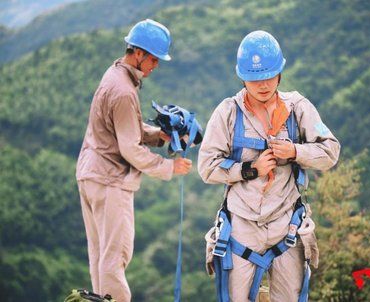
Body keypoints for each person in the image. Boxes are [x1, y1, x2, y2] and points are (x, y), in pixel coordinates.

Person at [198, 30, 340, 301]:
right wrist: (250, 169)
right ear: (242, 78)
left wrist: (296, 150)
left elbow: (330, 151)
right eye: (254, 79)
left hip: (286, 222)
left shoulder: (298, 108)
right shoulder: (228, 113)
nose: (263, 85)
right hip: (241, 224)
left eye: (268, 77)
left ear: (279, 74)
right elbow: (206, 167)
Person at [76, 19, 192, 302]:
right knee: (115, 257)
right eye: (153, 59)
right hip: (110, 180)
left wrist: (159, 136)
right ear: (138, 53)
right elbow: (129, 148)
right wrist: (168, 167)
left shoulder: (115, 75)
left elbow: (125, 128)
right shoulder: (125, 91)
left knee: (100, 254)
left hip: (90, 174)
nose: (156, 65)